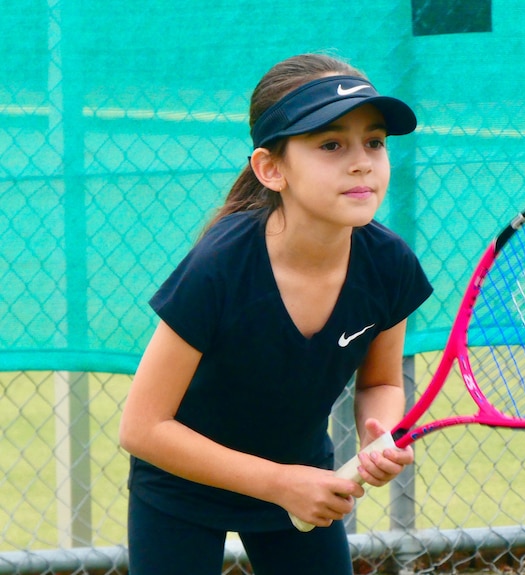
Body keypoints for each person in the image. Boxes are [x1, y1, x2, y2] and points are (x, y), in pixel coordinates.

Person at [119, 53, 433, 575]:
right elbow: (143, 427)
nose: (361, 162)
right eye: (331, 144)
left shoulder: (389, 264)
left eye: (374, 142)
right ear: (271, 169)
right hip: (181, 485)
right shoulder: (219, 268)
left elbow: (379, 381)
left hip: (302, 475)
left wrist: (382, 434)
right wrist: (280, 483)